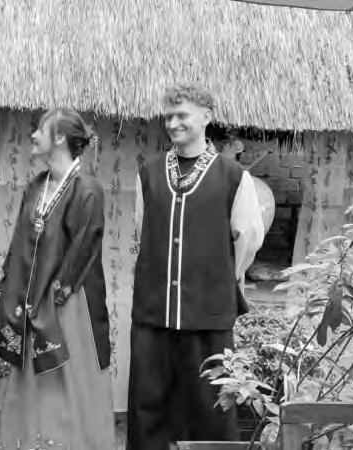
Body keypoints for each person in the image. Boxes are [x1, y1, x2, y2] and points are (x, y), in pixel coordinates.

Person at [128, 84, 265, 450]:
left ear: (206, 117)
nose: (173, 123)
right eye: (168, 117)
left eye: (182, 115)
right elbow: (144, 230)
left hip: (208, 318)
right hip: (153, 316)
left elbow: (248, 238)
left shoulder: (233, 176)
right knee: (148, 410)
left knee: (210, 413)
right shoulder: (149, 173)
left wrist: (218, 277)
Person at [0, 108, 115, 450]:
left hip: (68, 302)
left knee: (66, 382)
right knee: (29, 378)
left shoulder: (87, 189)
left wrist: (54, 296)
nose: (33, 135)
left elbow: (82, 251)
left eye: (40, 129)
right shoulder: (36, 185)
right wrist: (13, 290)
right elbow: (20, 243)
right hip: (31, 298)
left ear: (59, 137)